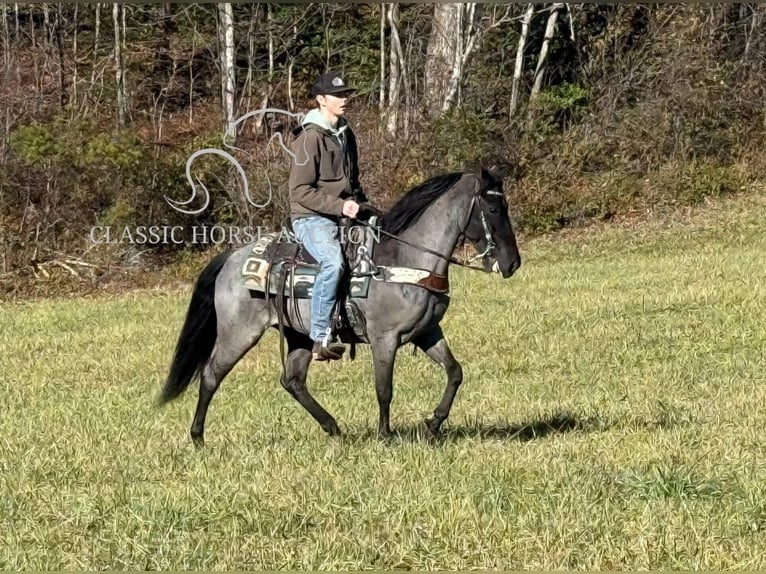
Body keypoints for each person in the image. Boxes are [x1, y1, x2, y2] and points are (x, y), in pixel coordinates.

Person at [288, 71, 368, 362]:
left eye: (346, 94)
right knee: (333, 263)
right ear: (321, 100)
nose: (344, 99)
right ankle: (320, 337)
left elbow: (353, 183)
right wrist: (339, 207)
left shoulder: (345, 132)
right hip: (310, 218)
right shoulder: (309, 137)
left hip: (343, 212)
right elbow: (298, 192)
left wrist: (361, 204)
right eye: (338, 95)